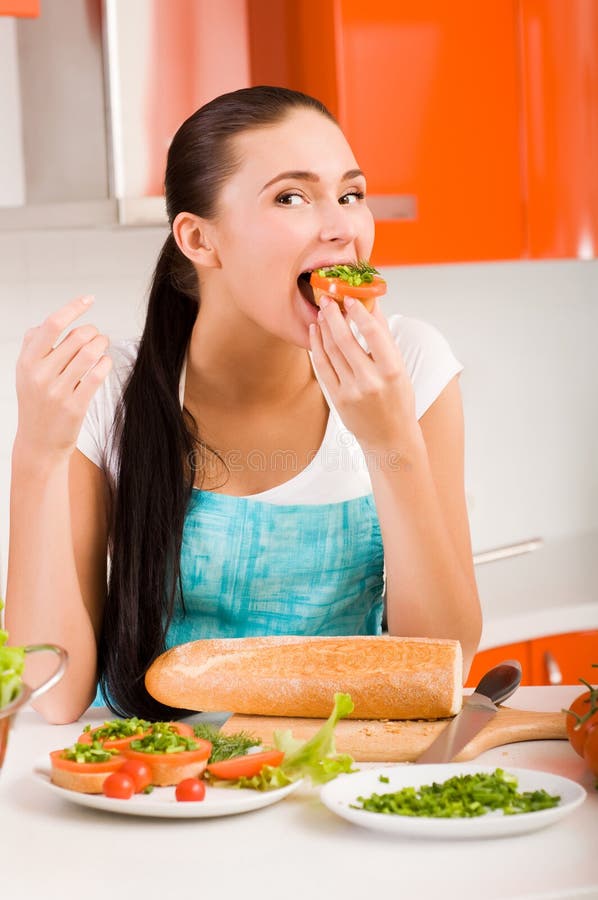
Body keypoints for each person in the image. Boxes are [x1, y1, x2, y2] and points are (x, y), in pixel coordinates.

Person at [6, 86, 481, 724]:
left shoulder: (411, 366)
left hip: (343, 776)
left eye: (351, 194)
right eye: (292, 196)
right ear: (200, 241)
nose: (342, 226)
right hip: (159, 777)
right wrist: (36, 454)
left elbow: (444, 664)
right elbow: (53, 695)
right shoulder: (109, 392)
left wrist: (389, 441)